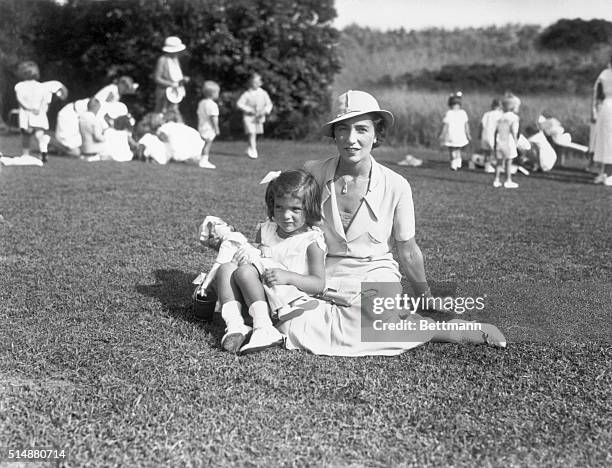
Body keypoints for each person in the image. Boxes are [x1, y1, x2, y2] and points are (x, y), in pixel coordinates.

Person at [277, 90, 506, 356]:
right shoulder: (312, 172)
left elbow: (407, 249)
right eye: (343, 129)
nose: (351, 139)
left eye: (361, 129)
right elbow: (288, 219)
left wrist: (424, 295)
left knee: (370, 321)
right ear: (334, 134)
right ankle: (390, 317)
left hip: (374, 273)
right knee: (290, 323)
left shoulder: (397, 184)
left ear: (377, 134)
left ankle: (444, 329)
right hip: (323, 272)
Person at [214, 170, 327, 354]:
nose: (285, 215)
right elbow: (258, 257)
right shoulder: (266, 229)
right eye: (279, 207)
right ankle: (235, 325)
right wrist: (245, 255)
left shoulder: (311, 241)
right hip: (255, 297)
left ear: (309, 208)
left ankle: (264, 327)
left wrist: (289, 276)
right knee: (227, 268)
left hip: (285, 303)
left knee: (245, 272)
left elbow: (319, 284)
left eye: (295, 209)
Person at [14, 61, 67, 163]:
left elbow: (20, 99)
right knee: (39, 134)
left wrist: (29, 108)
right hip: (39, 113)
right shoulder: (42, 87)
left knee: (26, 135)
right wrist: (41, 110)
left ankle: (26, 155)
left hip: (26, 114)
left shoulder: (19, 86)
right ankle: (43, 148)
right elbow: (46, 101)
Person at [236, 73, 273, 159]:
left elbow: (269, 104)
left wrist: (264, 111)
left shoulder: (263, 93)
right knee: (251, 132)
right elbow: (239, 104)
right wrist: (249, 110)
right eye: (253, 82)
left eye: (257, 82)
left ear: (260, 83)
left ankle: (249, 148)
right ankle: (253, 150)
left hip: (258, 117)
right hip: (248, 117)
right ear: (250, 83)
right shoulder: (247, 94)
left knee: (254, 133)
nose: (255, 84)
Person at [154, 36, 188, 116]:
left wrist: (183, 80)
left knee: (174, 114)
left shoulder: (176, 60)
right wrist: (171, 84)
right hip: (164, 95)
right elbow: (157, 78)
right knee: (161, 114)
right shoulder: (163, 60)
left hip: (175, 94)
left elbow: (177, 77)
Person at [591, 54, 612, 186]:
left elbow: (597, 92)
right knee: (609, 141)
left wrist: (594, 109)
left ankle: (603, 173)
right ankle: (609, 175)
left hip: (605, 106)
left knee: (605, 140)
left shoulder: (604, 73)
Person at [493, 93, 521, 189]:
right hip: (509, 142)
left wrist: (494, 143)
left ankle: (496, 180)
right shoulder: (514, 118)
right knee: (509, 162)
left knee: (499, 162)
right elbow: (514, 131)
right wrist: (516, 141)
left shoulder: (500, 117)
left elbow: (496, 131)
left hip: (499, 141)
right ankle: (508, 180)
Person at [440, 91, 470, 170]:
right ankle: (458, 163)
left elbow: (446, 125)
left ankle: (453, 164)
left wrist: (442, 134)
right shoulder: (463, 113)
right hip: (460, 135)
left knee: (452, 149)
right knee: (458, 149)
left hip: (451, 135)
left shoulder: (449, 113)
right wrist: (468, 134)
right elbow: (466, 125)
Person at [197, 80, 220, 169]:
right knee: (207, 144)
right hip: (209, 128)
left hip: (201, 126)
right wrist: (216, 128)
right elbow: (213, 117)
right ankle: (204, 160)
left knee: (203, 143)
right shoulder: (212, 105)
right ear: (213, 93)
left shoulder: (201, 103)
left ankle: (201, 158)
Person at [478, 98, 502, 173]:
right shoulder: (500, 115)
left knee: (487, 152)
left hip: (484, 135)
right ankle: (497, 166)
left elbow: (481, 125)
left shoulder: (487, 114)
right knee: (496, 152)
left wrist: (479, 134)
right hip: (493, 136)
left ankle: (487, 166)